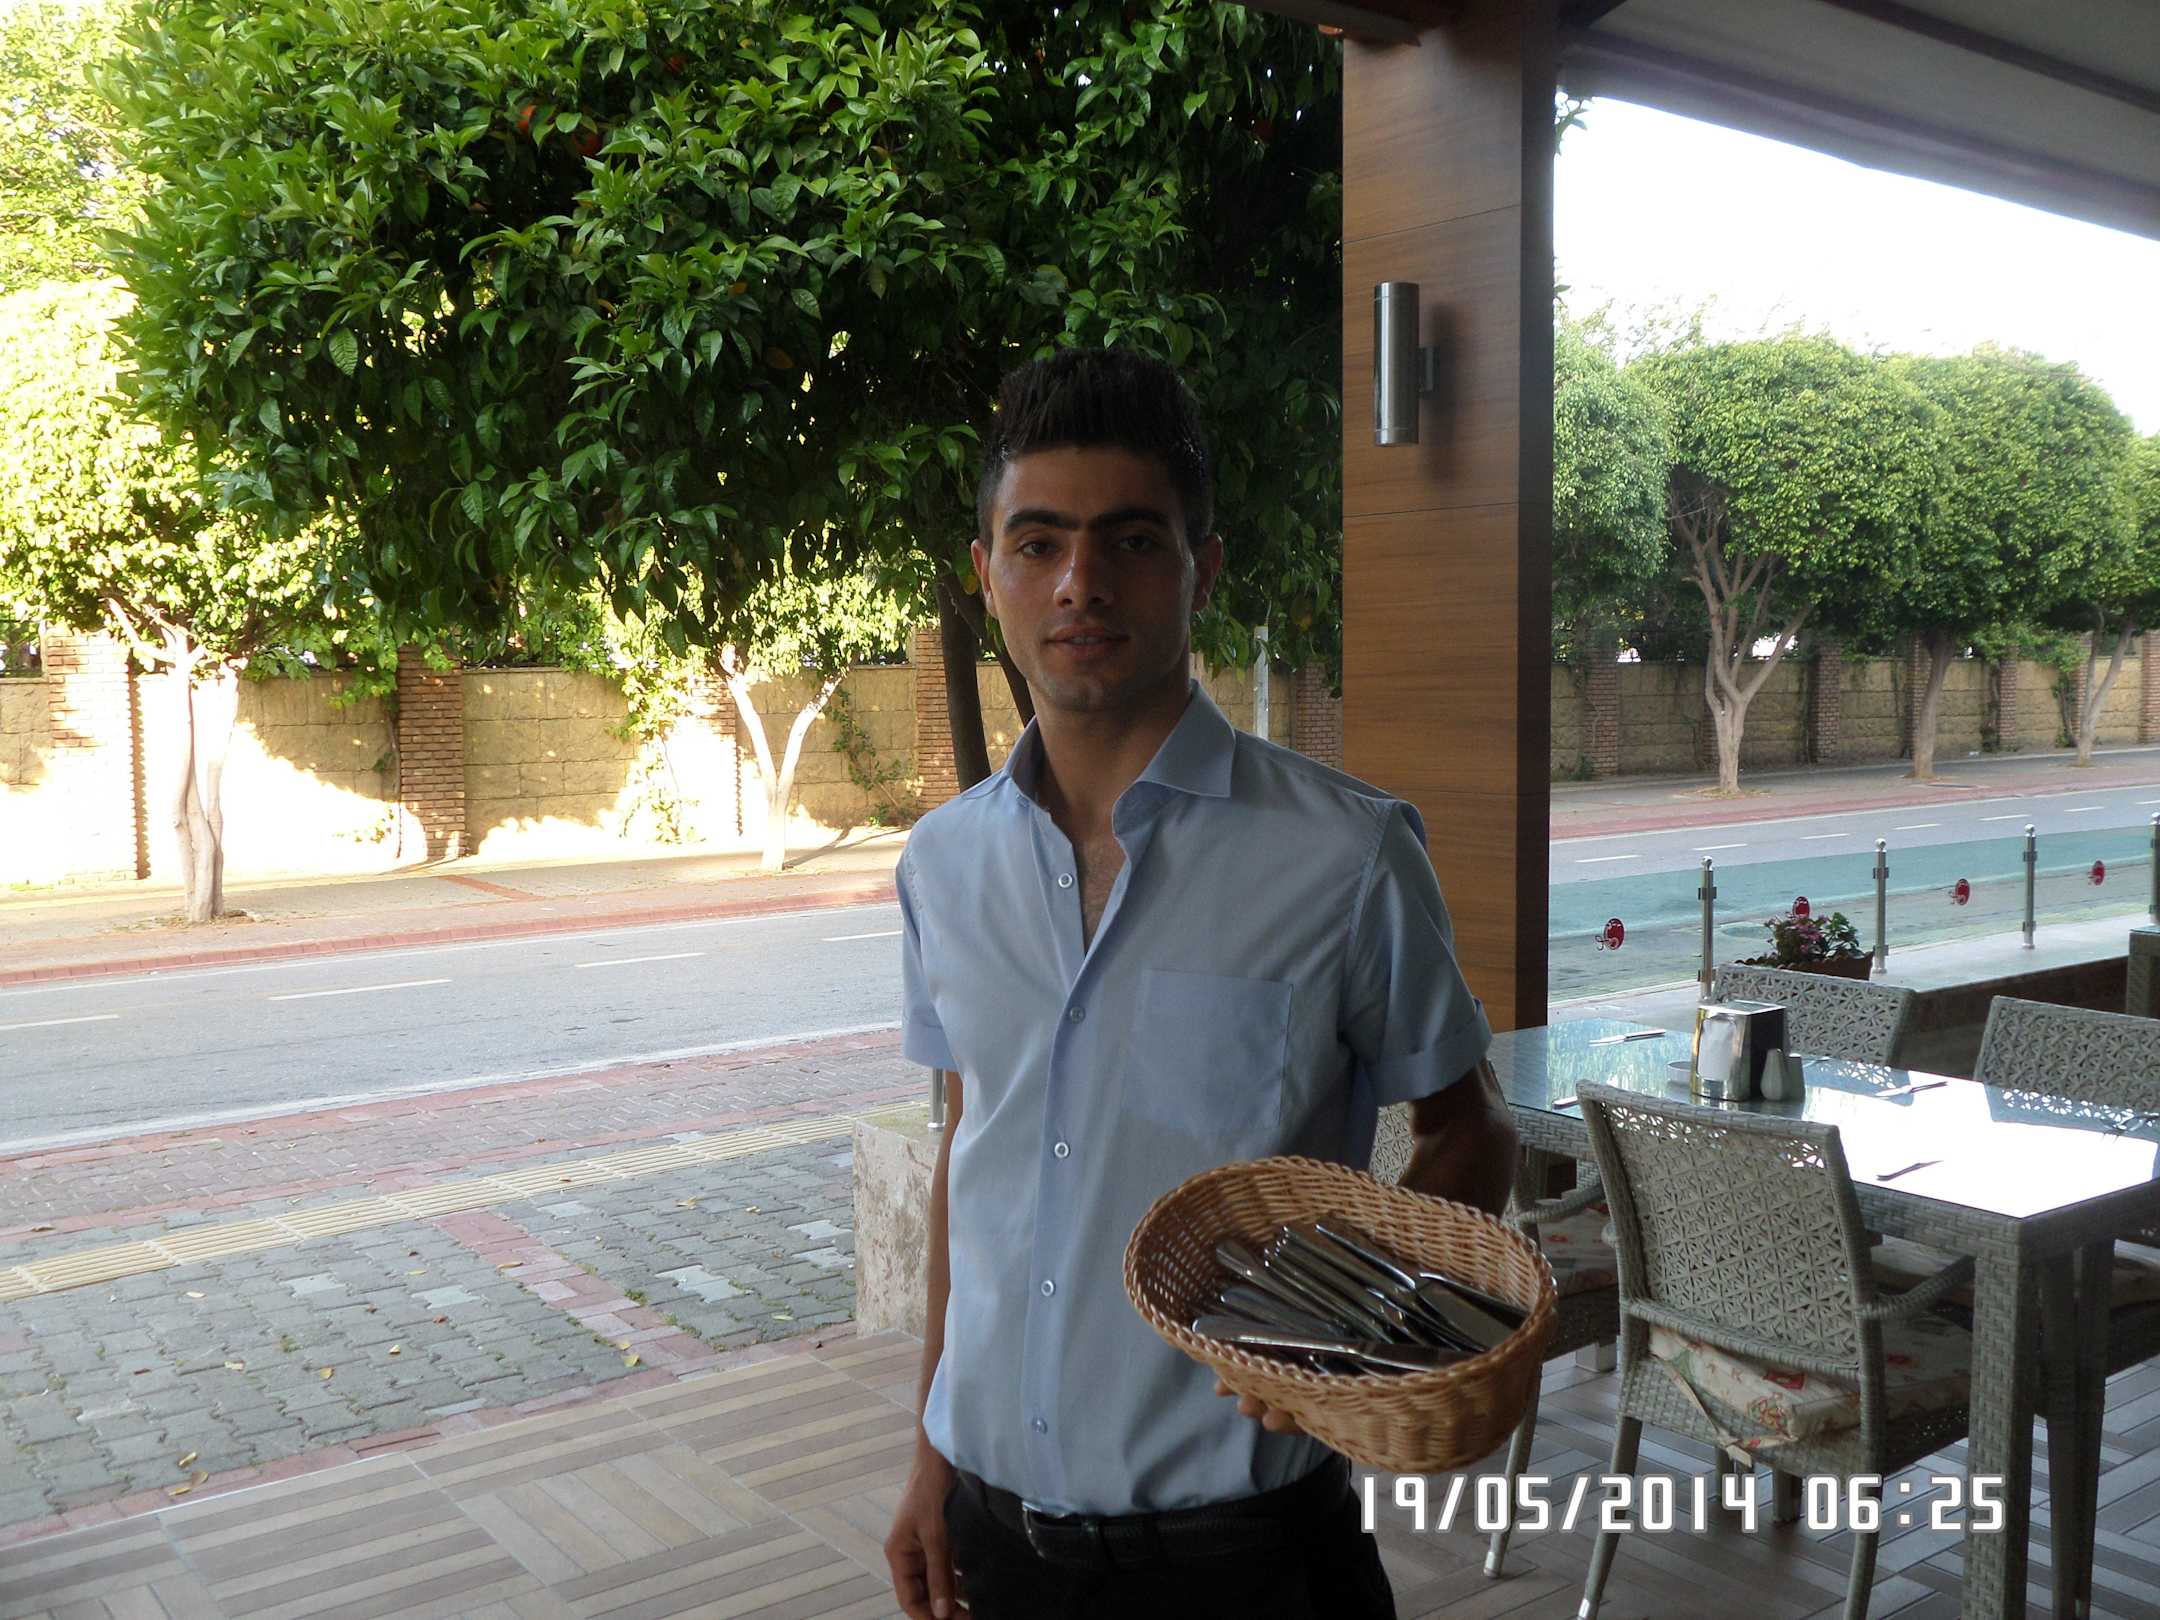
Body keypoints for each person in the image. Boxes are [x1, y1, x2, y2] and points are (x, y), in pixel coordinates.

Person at [881, 347, 1520, 1620]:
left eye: (1131, 541)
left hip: (1248, 1560)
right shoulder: (941, 864)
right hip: (996, 1539)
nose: (1081, 583)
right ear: (987, 575)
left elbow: (1471, 1129)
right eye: (1038, 543)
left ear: (1201, 569)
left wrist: (1355, 1329)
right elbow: (973, 1151)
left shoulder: (1343, 855)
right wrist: (930, 1452)